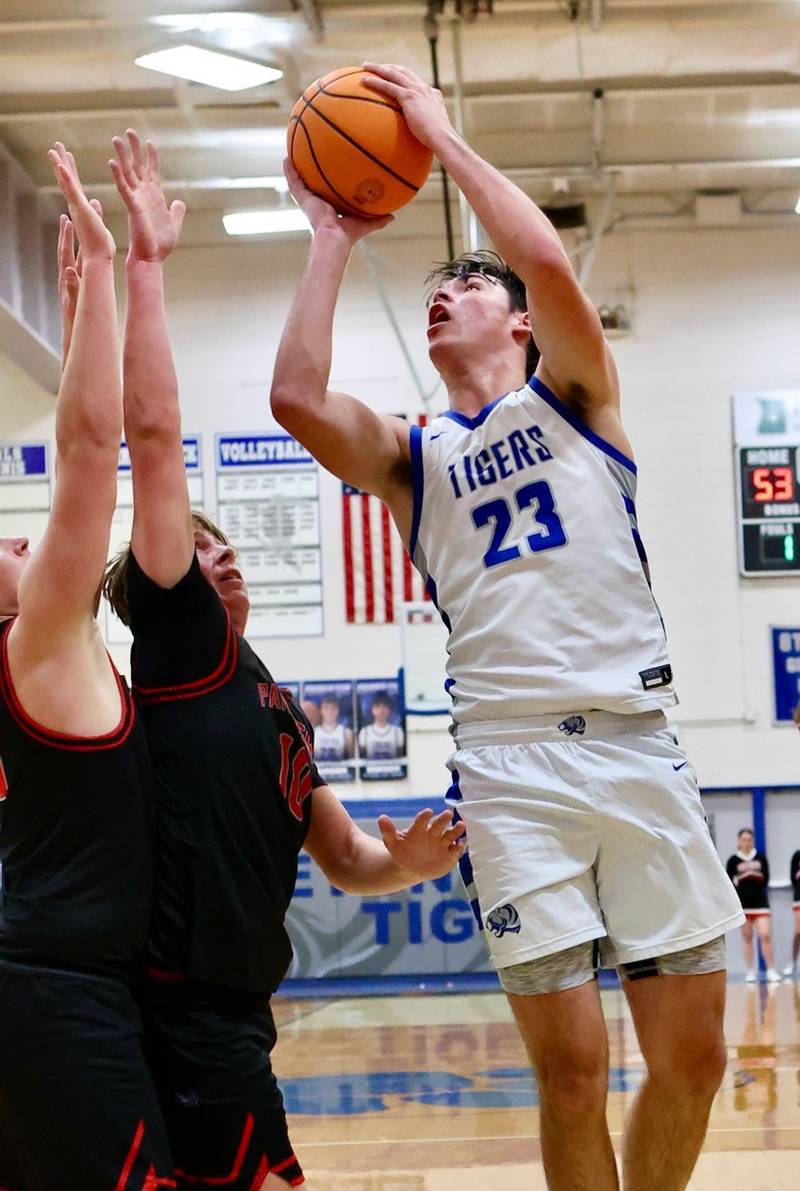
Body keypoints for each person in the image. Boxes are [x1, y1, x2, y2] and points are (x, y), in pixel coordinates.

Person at [270, 62, 746, 1191]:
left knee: (693, 1061)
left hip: (635, 742)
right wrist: (333, 232)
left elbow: (539, 255)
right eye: (432, 287)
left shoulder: (576, 397)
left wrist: (440, 134)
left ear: (522, 325)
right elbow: (295, 399)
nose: (443, 293)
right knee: (571, 1074)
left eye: (464, 286)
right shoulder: (412, 456)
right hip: (508, 766)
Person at [102, 130, 466, 1191]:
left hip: (234, 1006)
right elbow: (154, 435)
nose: (216, 556)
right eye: (194, 549)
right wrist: (146, 270)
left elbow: (346, 859)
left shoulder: (275, 706)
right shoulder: (177, 648)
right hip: (174, 1003)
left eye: (222, 548)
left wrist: (407, 864)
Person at [0, 145, 174, 1190]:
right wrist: (108, 270)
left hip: (47, 980)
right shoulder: (38, 641)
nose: (22, 542)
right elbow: (88, 455)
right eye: (5, 545)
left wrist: (81, 318)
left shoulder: (47, 649)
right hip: (59, 991)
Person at [726, 828, 780, 983]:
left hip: (761, 903)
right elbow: (729, 882)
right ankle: (750, 971)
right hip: (744, 905)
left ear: (752, 841)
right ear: (738, 841)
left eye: (749, 839)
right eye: (743, 839)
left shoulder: (761, 858)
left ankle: (770, 970)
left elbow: (766, 878)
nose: (746, 842)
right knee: (747, 937)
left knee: (765, 935)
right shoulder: (733, 860)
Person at [358, 691, 405, 761]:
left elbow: (400, 755)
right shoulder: (365, 732)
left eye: (384, 707)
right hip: (371, 770)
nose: (381, 710)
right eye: (377, 707)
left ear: (389, 709)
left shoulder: (397, 731)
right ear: (372, 710)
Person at [314, 692, 355, 761]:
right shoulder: (314, 732)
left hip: (340, 771)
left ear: (338, 710)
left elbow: (352, 759)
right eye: (326, 708)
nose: (330, 712)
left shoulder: (346, 733)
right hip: (319, 770)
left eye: (333, 708)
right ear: (321, 710)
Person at [786, 846, 800, 979]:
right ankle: (793, 961)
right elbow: (793, 878)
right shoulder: (797, 855)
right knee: (798, 931)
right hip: (799, 899)